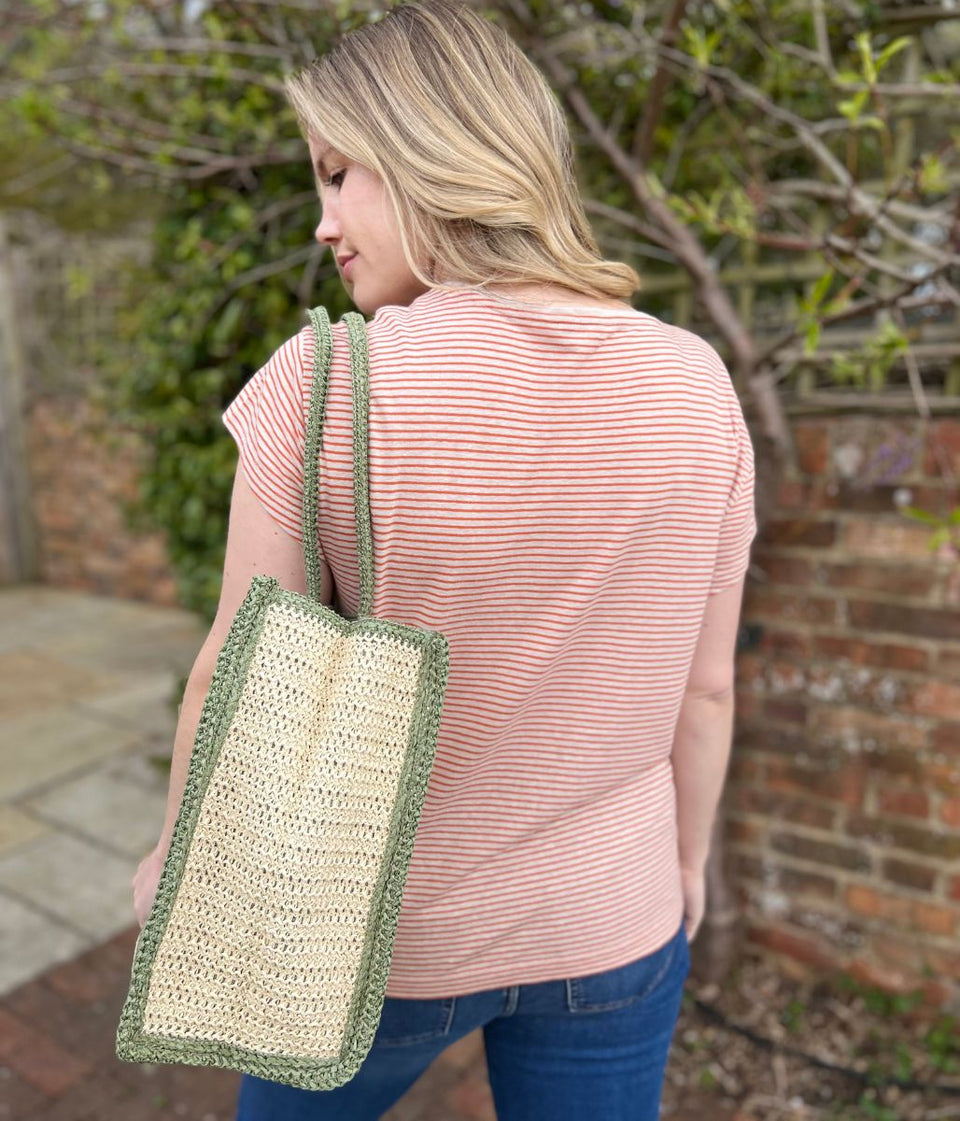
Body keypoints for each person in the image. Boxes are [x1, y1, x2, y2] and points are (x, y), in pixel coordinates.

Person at [136, 1, 757, 1117]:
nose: (323, 222)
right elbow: (705, 687)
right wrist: (686, 864)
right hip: (612, 921)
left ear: (432, 157)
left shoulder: (323, 384)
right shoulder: (698, 383)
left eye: (338, 174)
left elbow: (235, 671)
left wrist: (182, 858)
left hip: (366, 938)